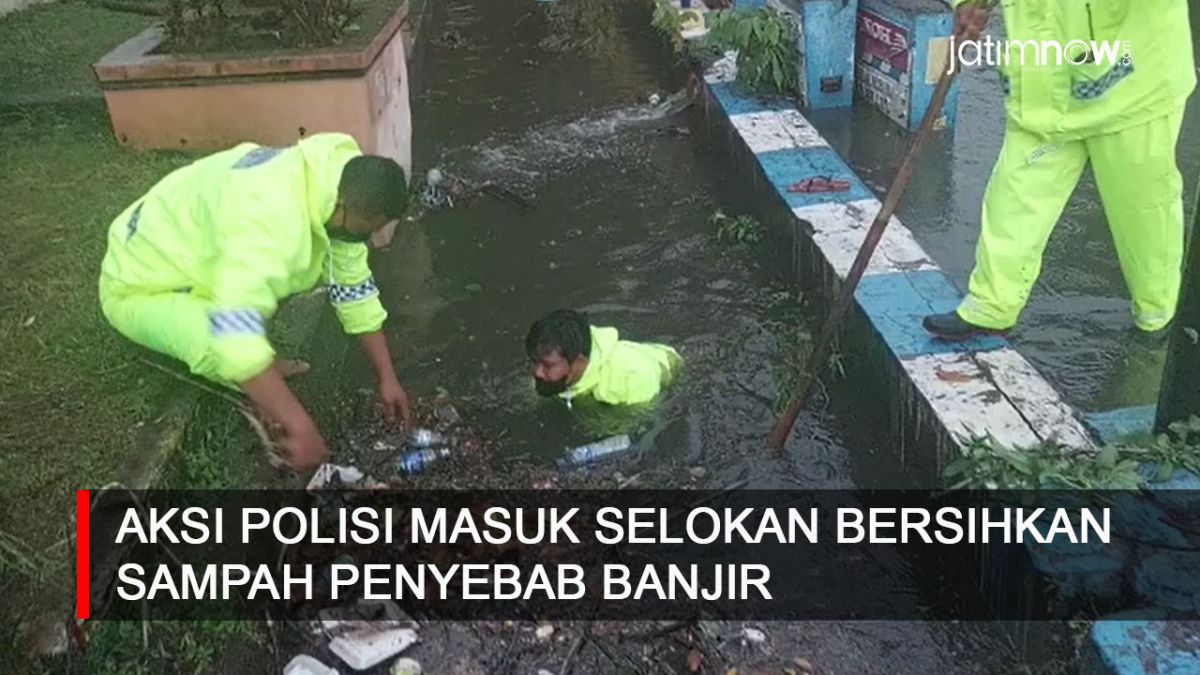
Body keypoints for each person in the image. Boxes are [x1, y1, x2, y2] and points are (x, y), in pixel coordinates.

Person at [98, 133, 412, 471]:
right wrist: (300, 426)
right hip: (137, 285)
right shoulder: (271, 222)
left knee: (268, 290)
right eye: (365, 229)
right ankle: (260, 390)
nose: (368, 239)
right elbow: (233, 339)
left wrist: (387, 378)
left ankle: (264, 378)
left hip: (186, 253)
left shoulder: (327, 180)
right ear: (343, 207)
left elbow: (354, 289)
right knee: (218, 340)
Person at [924, 0, 1196, 340]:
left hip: (1130, 85)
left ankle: (1157, 317)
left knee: (1142, 210)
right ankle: (992, 306)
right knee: (1015, 196)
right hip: (1043, 88)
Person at [525, 309, 682, 407]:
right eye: (534, 361)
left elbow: (640, 431)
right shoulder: (552, 367)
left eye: (547, 365)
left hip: (665, 369)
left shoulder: (631, 380)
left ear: (579, 362)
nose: (537, 372)